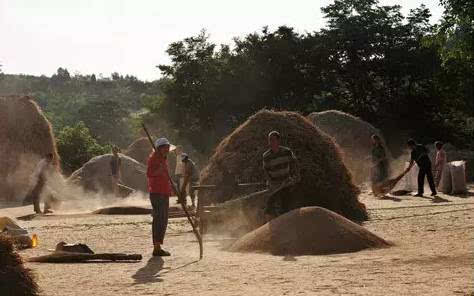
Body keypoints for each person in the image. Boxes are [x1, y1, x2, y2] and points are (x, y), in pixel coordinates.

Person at [262, 131, 300, 221]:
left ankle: (285, 224)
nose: (271, 142)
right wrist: (271, 183)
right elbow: (265, 171)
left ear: (278, 141)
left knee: (285, 206)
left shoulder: (287, 152)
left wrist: (297, 175)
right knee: (269, 208)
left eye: (273, 140)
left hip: (286, 183)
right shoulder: (266, 156)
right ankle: (268, 227)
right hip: (274, 184)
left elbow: (295, 163)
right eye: (269, 140)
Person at [147, 137, 174, 256]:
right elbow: (150, 174)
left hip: (163, 192)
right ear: (159, 148)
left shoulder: (163, 159)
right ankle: (156, 247)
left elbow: (165, 176)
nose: (168, 149)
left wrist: (170, 188)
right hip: (157, 193)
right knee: (159, 219)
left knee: (163, 219)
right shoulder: (154, 159)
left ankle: (158, 246)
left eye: (168, 147)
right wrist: (160, 170)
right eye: (165, 147)